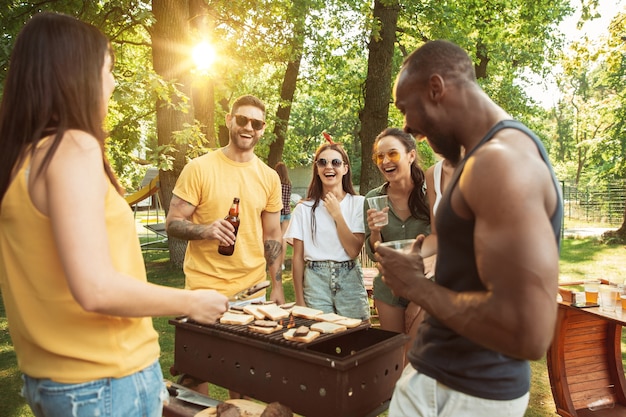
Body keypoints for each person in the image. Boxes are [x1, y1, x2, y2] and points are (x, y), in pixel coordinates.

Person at [0, 12, 228, 417]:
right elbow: (95, 289)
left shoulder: (21, 160)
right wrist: (191, 302)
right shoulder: (72, 147)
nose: (113, 82)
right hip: (103, 380)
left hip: (57, 381)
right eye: (108, 69)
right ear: (77, 74)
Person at [376, 40, 563, 416]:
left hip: (463, 392)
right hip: (442, 377)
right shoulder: (482, 157)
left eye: (405, 109)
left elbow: (528, 332)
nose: (409, 125)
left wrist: (416, 288)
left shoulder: (500, 163)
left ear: (436, 88)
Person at [363, 127, 431, 355]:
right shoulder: (373, 199)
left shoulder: (431, 193)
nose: (385, 161)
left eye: (392, 154)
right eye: (379, 156)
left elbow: (444, 243)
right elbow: (374, 253)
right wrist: (375, 232)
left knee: (414, 359)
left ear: (411, 155)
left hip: (424, 285)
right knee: (393, 358)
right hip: (388, 290)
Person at [285, 141, 369, 320]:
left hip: (350, 278)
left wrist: (337, 214)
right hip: (315, 281)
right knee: (321, 340)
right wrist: (299, 300)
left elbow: (353, 250)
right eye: (322, 162)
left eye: (335, 162)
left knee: (358, 337)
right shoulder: (304, 209)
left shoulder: (358, 203)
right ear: (316, 169)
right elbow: (298, 258)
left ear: (345, 168)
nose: (328, 167)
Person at [274, 161, 292, 271]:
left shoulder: (277, 184)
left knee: (275, 237)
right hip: (287, 212)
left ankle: (275, 262)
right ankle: (282, 263)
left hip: (278, 212)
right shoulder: (289, 184)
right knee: (284, 238)